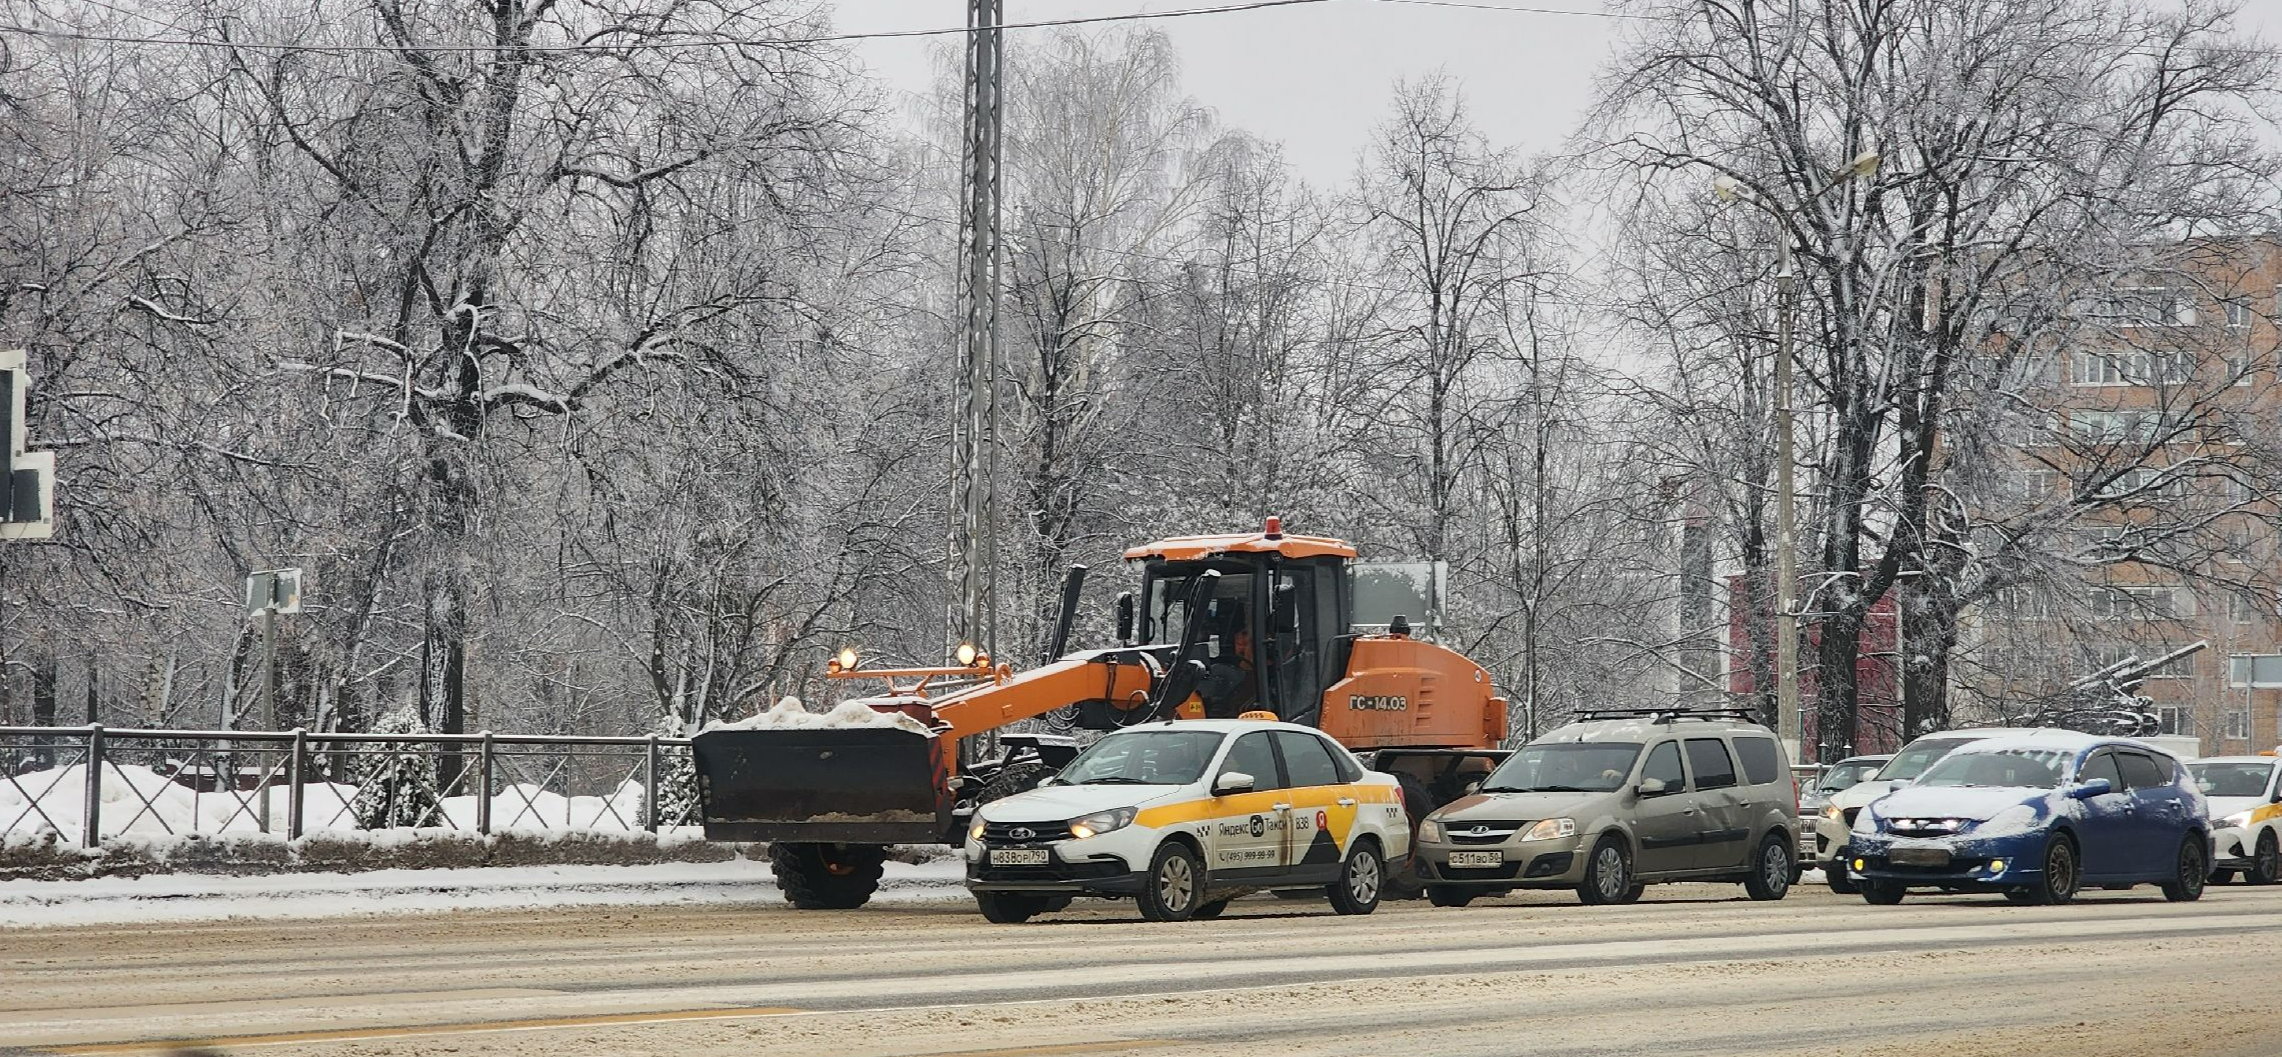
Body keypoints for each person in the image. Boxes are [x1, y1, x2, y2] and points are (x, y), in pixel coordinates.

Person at [1196, 627, 1258, 719]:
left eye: (1247, 643)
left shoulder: (1265, 679)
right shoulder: (1218, 671)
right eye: (1239, 642)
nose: (1242, 647)